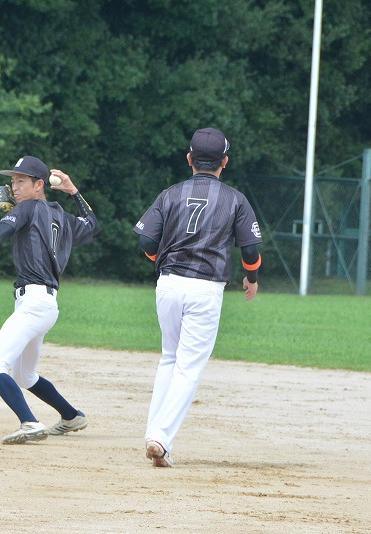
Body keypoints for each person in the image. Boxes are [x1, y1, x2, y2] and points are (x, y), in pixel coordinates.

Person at [134, 128, 262, 467]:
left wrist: (162, 261)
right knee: (188, 367)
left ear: (189, 158)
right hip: (205, 287)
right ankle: (160, 438)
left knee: (169, 358)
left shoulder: (170, 194)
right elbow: (250, 250)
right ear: (225, 162)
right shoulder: (235, 199)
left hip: (169, 284)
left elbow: (146, 241)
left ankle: (154, 433)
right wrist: (251, 279)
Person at [0, 155, 101, 444]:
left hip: (34, 303)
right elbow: (92, 225)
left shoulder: (27, 208)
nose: (14, 187)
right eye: (13, 181)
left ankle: (30, 422)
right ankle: (71, 416)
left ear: (39, 185)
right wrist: (73, 192)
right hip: (46, 305)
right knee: (25, 376)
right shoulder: (60, 214)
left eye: (21, 181)